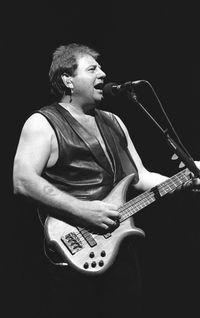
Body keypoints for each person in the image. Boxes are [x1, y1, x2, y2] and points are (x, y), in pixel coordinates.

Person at [13, 43, 200, 318]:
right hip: (72, 252)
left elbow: (141, 176)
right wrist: (82, 210)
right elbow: (22, 181)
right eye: (92, 69)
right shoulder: (42, 123)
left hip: (119, 251)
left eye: (100, 67)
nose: (103, 73)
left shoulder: (114, 121)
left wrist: (186, 178)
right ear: (68, 80)